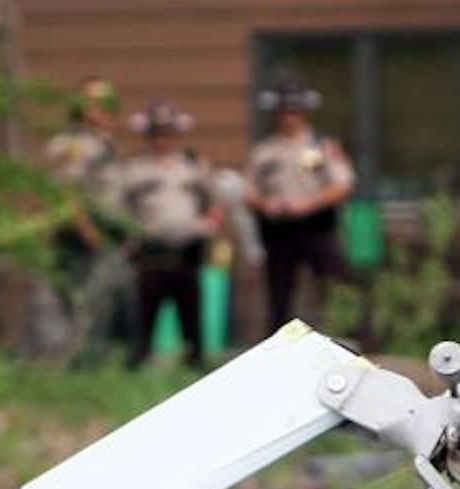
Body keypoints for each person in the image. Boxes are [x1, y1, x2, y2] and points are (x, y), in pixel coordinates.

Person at [107, 98, 223, 369]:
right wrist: (128, 234)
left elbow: (215, 199)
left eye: (168, 134)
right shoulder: (134, 169)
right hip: (150, 253)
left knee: (191, 315)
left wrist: (210, 224)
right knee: (144, 315)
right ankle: (137, 361)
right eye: (157, 134)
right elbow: (118, 208)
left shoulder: (193, 165)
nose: (162, 140)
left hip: (187, 251)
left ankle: (195, 361)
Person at [42, 76, 139, 366]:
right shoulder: (71, 144)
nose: (103, 111)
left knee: (112, 301)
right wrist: (87, 230)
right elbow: (65, 192)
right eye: (95, 104)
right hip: (81, 237)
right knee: (85, 304)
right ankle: (79, 365)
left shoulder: (109, 145)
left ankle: (105, 361)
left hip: (111, 234)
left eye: (108, 104)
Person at [246, 77, 356, 330]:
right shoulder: (264, 151)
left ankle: (354, 341)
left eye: (294, 111)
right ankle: (278, 354)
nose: (289, 117)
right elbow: (248, 191)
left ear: (303, 112)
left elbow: (343, 185)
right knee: (280, 299)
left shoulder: (322, 146)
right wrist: (265, 204)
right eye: (283, 111)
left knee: (338, 285)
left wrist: (309, 204)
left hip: (317, 227)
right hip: (278, 230)